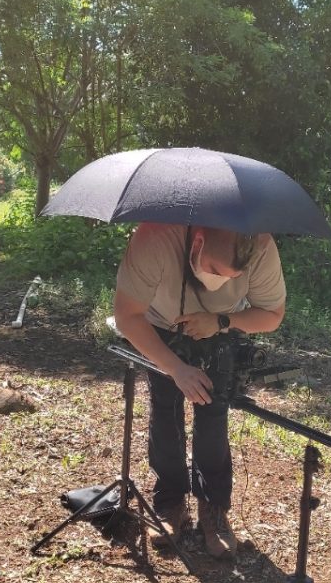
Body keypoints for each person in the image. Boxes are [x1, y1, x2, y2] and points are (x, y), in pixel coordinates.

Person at [113, 223, 286, 559]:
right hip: (160, 325)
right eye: (216, 271)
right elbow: (127, 314)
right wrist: (175, 367)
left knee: (213, 412)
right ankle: (169, 503)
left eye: (232, 276)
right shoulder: (155, 238)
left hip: (221, 328)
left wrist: (221, 321)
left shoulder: (261, 246)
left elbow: (272, 314)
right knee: (165, 412)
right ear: (199, 243)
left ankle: (213, 508)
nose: (221, 280)